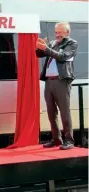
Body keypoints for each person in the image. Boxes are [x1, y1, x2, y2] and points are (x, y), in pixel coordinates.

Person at [36, 22, 78, 150]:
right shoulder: (53, 43)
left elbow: (62, 56)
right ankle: (56, 139)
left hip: (62, 80)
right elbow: (40, 54)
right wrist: (39, 47)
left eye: (60, 32)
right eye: (56, 32)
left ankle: (69, 140)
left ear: (67, 32)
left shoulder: (71, 44)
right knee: (50, 111)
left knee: (64, 111)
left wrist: (46, 49)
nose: (57, 34)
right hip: (49, 81)